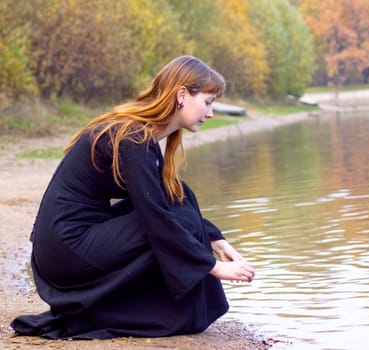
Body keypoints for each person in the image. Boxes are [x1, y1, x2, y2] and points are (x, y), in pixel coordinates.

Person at [10, 55, 255, 339]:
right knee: (176, 220)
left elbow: (170, 196)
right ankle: (149, 312)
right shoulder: (133, 136)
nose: (210, 113)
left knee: (179, 198)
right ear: (182, 95)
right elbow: (155, 216)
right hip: (66, 248)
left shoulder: (142, 136)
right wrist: (211, 266)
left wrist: (214, 238)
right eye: (208, 102)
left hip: (65, 243)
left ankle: (154, 307)